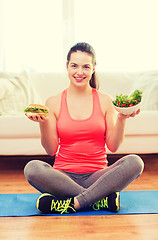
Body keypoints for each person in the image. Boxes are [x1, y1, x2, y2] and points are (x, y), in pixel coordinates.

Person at [24, 42, 144, 214]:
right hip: (63, 176)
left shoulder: (105, 100)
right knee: (32, 168)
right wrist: (43, 123)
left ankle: (71, 202)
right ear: (67, 67)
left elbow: (113, 146)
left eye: (86, 67)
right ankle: (99, 200)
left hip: (99, 177)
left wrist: (122, 118)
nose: (79, 72)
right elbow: (51, 150)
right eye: (74, 66)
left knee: (135, 162)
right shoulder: (53, 102)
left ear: (93, 68)